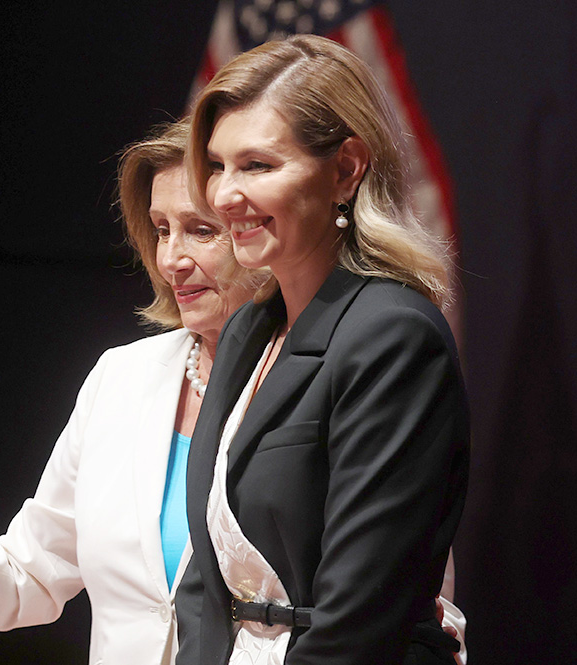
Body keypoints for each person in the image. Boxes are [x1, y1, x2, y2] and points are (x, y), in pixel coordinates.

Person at [0, 121, 466, 665]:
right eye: (161, 230)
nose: (172, 259)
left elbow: (387, 609)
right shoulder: (122, 378)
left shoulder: (350, 373)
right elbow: (26, 581)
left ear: (259, 228)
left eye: (200, 230)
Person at [179, 35, 470, 665]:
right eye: (218, 164)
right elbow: (205, 578)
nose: (224, 194)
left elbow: (361, 616)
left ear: (345, 169)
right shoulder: (245, 332)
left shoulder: (392, 337)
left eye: (257, 165)